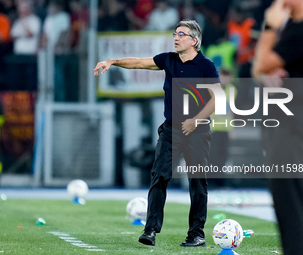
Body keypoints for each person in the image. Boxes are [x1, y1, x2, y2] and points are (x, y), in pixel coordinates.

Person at [94, 20, 220, 247]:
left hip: (198, 131)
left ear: (194, 41)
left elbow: (217, 99)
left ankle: (196, 234)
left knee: (197, 182)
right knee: (159, 176)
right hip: (171, 130)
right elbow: (139, 63)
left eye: (181, 34)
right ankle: (150, 229)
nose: (176, 37)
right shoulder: (168, 60)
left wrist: (195, 120)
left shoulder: (206, 65)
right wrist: (112, 61)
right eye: (175, 33)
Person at [252, 0, 303, 254]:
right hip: (289, 120)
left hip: (295, 123)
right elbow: (263, 70)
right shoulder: (297, 26)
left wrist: (270, 27)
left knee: (288, 201)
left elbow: (261, 63)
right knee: (287, 201)